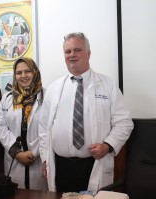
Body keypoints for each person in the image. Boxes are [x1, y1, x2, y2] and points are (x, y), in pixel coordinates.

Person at [38, 32, 134, 193]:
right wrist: (45, 160)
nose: (72, 55)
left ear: (88, 53)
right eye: (67, 51)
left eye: (77, 50)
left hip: (93, 164)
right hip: (61, 167)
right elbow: (43, 129)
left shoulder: (108, 85)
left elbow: (124, 122)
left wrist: (108, 145)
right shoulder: (54, 88)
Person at [0, 57, 47, 190]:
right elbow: (1, 127)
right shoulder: (7, 99)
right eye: (19, 73)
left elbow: (49, 128)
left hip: (38, 158)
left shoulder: (47, 97)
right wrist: (17, 153)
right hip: (14, 160)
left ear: (35, 72)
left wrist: (33, 152)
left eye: (27, 71)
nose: (23, 76)